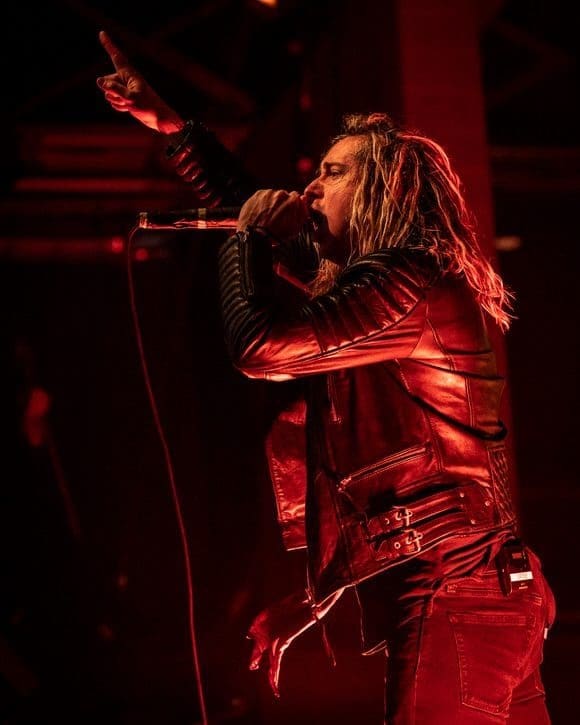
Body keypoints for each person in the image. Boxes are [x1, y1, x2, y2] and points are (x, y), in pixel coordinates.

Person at [97, 31, 556, 723]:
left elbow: (260, 347)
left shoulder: (405, 281)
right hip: (477, 589)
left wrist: (245, 237)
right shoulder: (381, 290)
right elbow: (257, 206)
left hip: (457, 590)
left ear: (382, 191)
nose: (310, 186)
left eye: (334, 173)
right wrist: (171, 125)